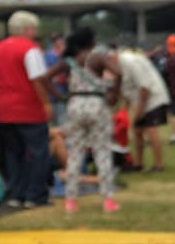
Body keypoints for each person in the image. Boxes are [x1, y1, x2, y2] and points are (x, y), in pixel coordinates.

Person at [0, 10, 54, 208]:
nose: (36, 31)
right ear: (27, 29)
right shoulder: (30, 49)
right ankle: (35, 196)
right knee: (37, 153)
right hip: (29, 109)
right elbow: (37, 78)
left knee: (14, 154)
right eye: (34, 28)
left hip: (6, 109)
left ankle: (17, 194)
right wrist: (46, 103)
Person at [47, 28, 121, 213]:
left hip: (75, 104)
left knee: (75, 152)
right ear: (90, 42)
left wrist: (60, 96)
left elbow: (45, 78)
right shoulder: (98, 57)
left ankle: (71, 200)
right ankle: (108, 199)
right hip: (96, 104)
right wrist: (114, 94)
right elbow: (118, 73)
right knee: (102, 152)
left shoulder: (69, 61)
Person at [116, 48, 171, 172]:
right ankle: (138, 163)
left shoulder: (132, 62)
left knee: (151, 130)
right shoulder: (120, 65)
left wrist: (140, 110)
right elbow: (126, 88)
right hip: (140, 101)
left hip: (153, 99)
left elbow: (145, 87)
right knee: (137, 131)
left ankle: (159, 165)